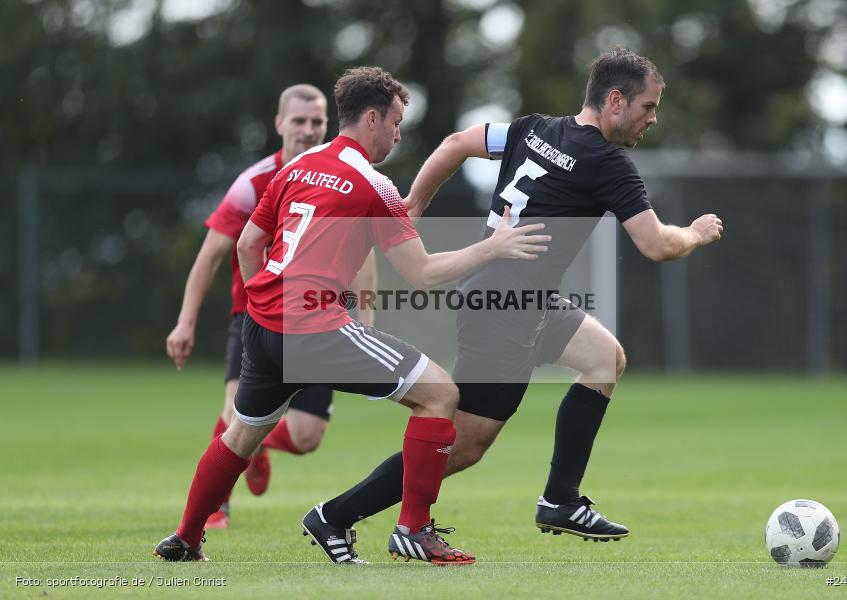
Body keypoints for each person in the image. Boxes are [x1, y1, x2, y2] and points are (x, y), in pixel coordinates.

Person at [312, 48, 724, 544]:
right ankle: (335, 515)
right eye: (648, 107)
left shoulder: (534, 129)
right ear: (615, 100)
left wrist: (412, 204)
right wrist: (697, 233)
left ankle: (561, 500)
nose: (652, 119)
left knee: (603, 359)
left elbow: (457, 142)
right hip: (504, 312)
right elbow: (657, 244)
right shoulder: (606, 162)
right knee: (462, 445)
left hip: (520, 301)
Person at [154, 66, 550, 564]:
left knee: (239, 434)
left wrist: (263, 305)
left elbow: (250, 243)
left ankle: (186, 538)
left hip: (262, 325)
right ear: (370, 117)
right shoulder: (374, 184)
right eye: (396, 122)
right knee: (441, 394)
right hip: (313, 328)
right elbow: (424, 274)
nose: (399, 134)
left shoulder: (293, 169)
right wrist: (494, 247)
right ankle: (414, 529)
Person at [165, 84, 372, 530]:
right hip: (255, 317)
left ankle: (256, 446)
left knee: (306, 437)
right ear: (279, 124)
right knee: (233, 412)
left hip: (320, 319)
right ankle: (213, 508)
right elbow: (212, 255)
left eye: (317, 121)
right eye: (299, 121)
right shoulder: (254, 181)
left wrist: (367, 318)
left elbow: (365, 249)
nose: (308, 130)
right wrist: (185, 323)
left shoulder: (345, 177)